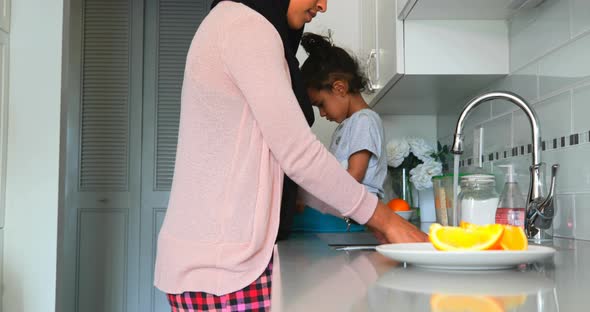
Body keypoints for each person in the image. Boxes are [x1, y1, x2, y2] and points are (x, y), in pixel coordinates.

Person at [154, 0, 428, 311]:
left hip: (216, 260)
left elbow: (284, 166)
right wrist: (387, 220)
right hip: (223, 267)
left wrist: (373, 220)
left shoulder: (237, 22)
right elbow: (297, 153)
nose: (323, 5)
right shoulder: (246, 26)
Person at [294, 33, 387, 232]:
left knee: (290, 223)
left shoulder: (365, 121)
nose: (322, 113)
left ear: (339, 88)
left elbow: (355, 175)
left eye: (320, 104)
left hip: (356, 219)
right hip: (347, 214)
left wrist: (314, 198)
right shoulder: (349, 125)